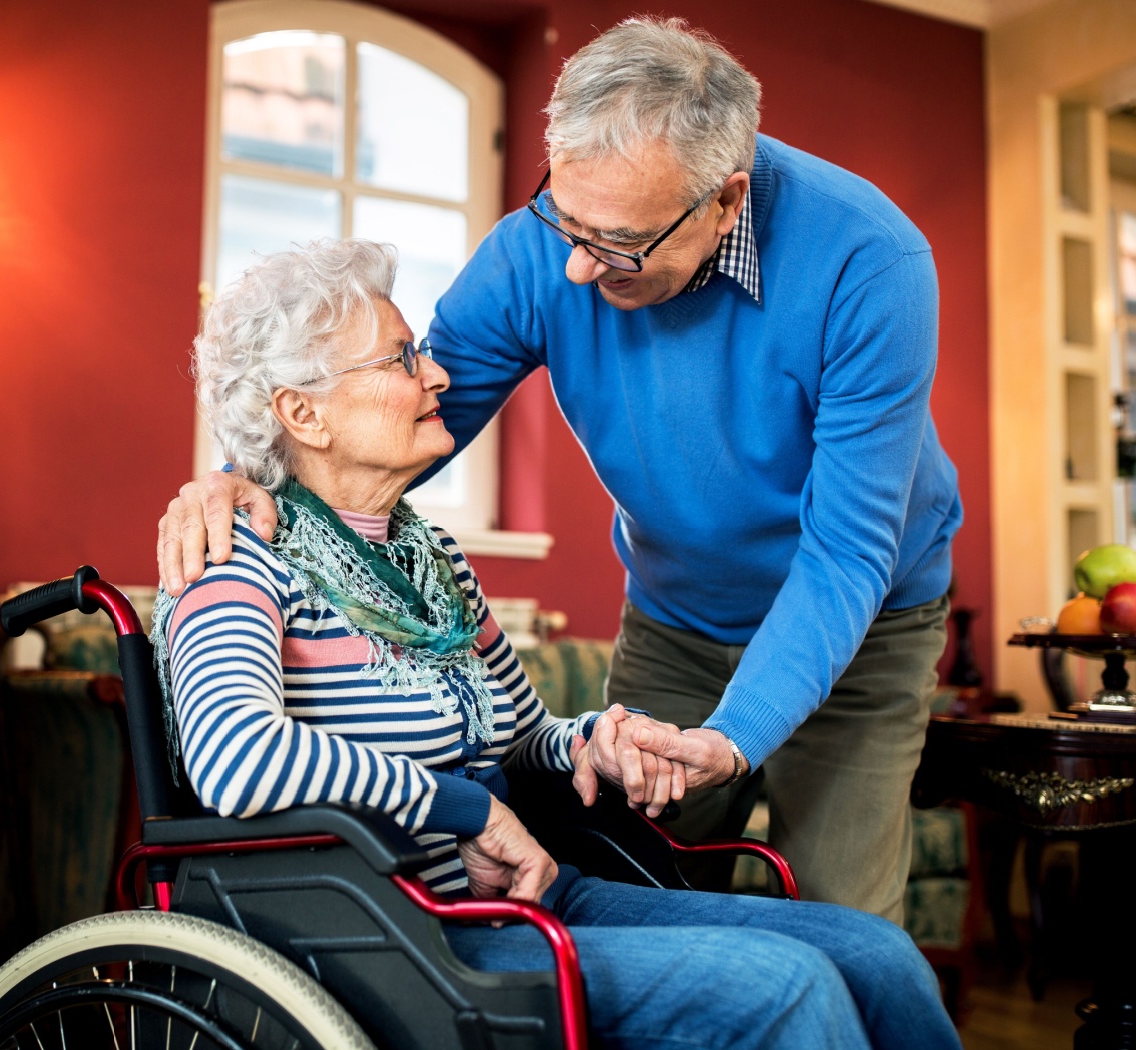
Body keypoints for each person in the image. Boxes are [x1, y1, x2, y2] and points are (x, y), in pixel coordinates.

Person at [157, 16, 961, 922]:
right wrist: (244, 475)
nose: (576, 265)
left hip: (863, 622)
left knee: (849, 919)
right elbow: (399, 411)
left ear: (725, 201)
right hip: (681, 616)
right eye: (565, 218)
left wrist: (738, 736)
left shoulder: (869, 263)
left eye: (617, 244)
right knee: (633, 881)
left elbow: (848, 551)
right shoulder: (543, 247)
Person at [152, 238, 960, 1050]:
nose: (437, 376)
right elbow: (235, 758)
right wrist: (468, 810)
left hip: (517, 900)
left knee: (875, 954)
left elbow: (523, 734)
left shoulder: (433, 562)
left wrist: (598, 741)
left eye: (423, 352)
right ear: (303, 413)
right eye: (402, 359)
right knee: (786, 988)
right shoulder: (231, 561)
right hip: (395, 941)